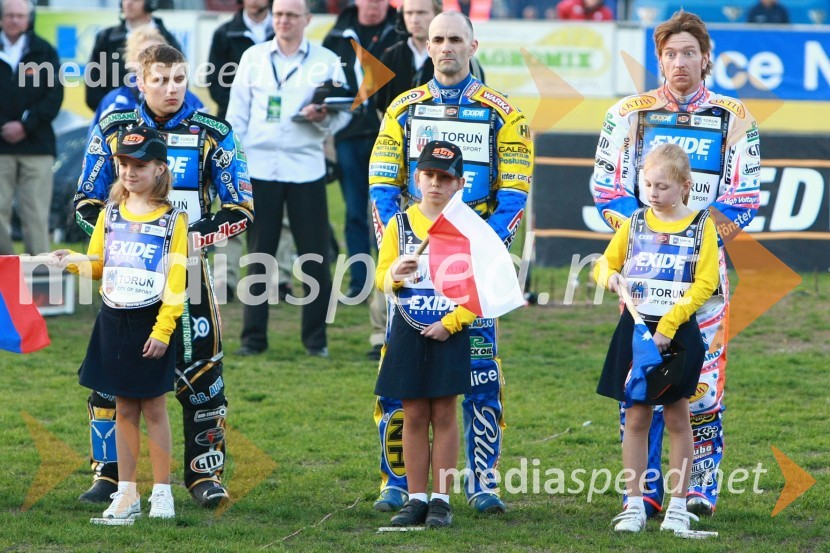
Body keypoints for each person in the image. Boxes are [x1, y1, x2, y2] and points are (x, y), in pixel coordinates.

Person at [590, 10, 761, 518]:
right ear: (659, 59)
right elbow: (606, 188)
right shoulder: (626, 113)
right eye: (670, 53)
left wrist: (691, 237)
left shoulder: (736, 117)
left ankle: (698, 490)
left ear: (705, 58)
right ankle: (642, 491)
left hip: (702, 281)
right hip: (641, 285)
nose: (679, 62)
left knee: (700, 389)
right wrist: (647, 235)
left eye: (689, 52)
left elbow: (745, 197)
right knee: (639, 388)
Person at [75, 44, 254, 509]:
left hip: (189, 278)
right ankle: (109, 474)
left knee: (203, 375)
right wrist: (128, 241)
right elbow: (85, 202)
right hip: (125, 280)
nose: (171, 89)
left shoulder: (215, 133)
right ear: (140, 79)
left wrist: (179, 241)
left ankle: (204, 475)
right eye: (160, 80)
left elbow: (240, 209)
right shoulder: (112, 129)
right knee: (111, 379)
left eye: (179, 80)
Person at [369, 11, 534, 514]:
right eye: (437, 38)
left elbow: (515, 194)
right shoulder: (402, 107)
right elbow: (380, 186)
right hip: (414, 269)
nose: (445, 47)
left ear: (473, 44)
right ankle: (397, 482)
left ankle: (482, 483)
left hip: (471, 269)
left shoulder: (504, 113)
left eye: (455, 39)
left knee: (481, 377)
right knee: (400, 386)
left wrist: (479, 250)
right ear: (427, 43)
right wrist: (400, 251)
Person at [52, 126, 188, 520]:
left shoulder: (173, 220)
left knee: (156, 409)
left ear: (160, 169)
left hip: (151, 324)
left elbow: (177, 283)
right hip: (113, 321)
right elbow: (99, 265)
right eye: (123, 163)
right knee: (124, 408)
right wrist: (73, 261)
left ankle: (162, 493)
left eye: (140, 165)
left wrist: (163, 331)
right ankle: (126, 493)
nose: (130, 172)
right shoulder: (110, 214)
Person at [594, 143, 719, 533]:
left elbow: (706, 282)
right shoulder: (634, 222)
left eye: (662, 186)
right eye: (647, 184)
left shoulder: (702, 224)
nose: (653, 193)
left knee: (680, 418)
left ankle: (679, 508)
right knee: (636, 417)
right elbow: (604, 263)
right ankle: (634, 504)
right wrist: (608, 277)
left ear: (685, 186)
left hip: (678, 332)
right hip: (637, 330)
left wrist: (669, 326)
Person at [226, 0, 350, 357]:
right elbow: (237, 114)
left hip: (306, 167)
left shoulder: (326, 61)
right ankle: (253, 339)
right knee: (258, 255)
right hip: (260, 168)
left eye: (292, 15)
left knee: (314, 256)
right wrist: (237, 164)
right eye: (278, 14)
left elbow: (341, 115)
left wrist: (321, 118)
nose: (283, 20)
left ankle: (316, 341)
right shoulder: (254, 57)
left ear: (307, 20)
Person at [375, 140, 474, 528]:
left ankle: (441, 500)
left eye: (444, 178)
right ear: (416, 178)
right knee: (413, 412)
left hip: (448, 330)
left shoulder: (466, 229)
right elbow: (382, 278)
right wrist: (393, 276)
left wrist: (451, 323)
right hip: (408, 328)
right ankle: (415, 498)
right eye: (429, 175)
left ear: (458, 184)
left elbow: (478, 291)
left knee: (445, 412)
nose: (435, 183)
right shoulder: (399, 225)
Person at [323, 0, 398, 299]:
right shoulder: (337, 34)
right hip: (350, 135)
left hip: (391, 136)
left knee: (393, 212)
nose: (373, 5)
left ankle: (393, 277)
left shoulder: (401, 31)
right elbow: (325, 82)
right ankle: (359, 282)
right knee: (355, 211)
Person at [0, 0, 64, 256]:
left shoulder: (44, 51)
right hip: (1, 148)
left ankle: (40, 274)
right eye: (10, 15)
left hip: (37, 146)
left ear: (29, 18)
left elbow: (54, 95)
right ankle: (4, 273)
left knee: (35, 214)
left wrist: (26, 125)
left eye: (20, 15)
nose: (15, 20)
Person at [91, 25, 204, 127]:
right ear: (132, 60)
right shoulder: (114, 102)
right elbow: (95, 144)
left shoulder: (190, 100)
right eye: (146, 54)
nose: (154, 58)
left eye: (159, 52)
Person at [85, 0, 182, 112]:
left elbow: (179, 79)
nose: (128, 3)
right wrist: (111, 113)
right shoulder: (106, 38)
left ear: (150, 3)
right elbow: (93, 83)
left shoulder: (169, 40)